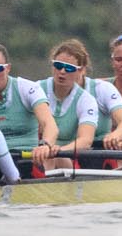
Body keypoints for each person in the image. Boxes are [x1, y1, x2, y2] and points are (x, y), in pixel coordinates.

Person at [0, 43, 57, 166]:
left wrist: (45, 145)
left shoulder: (27, 88)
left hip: (27, 158)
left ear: (8, 68)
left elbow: (49, 124)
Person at [38, 38, 102, 167]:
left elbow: (85, 140)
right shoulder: (36, 89)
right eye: (58, 66)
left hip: (67, 158)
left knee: (54, 158)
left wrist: (60, 150)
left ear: (81, 71)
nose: (62, 72)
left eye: (69, 68)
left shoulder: (86, 100)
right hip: (36, 153)